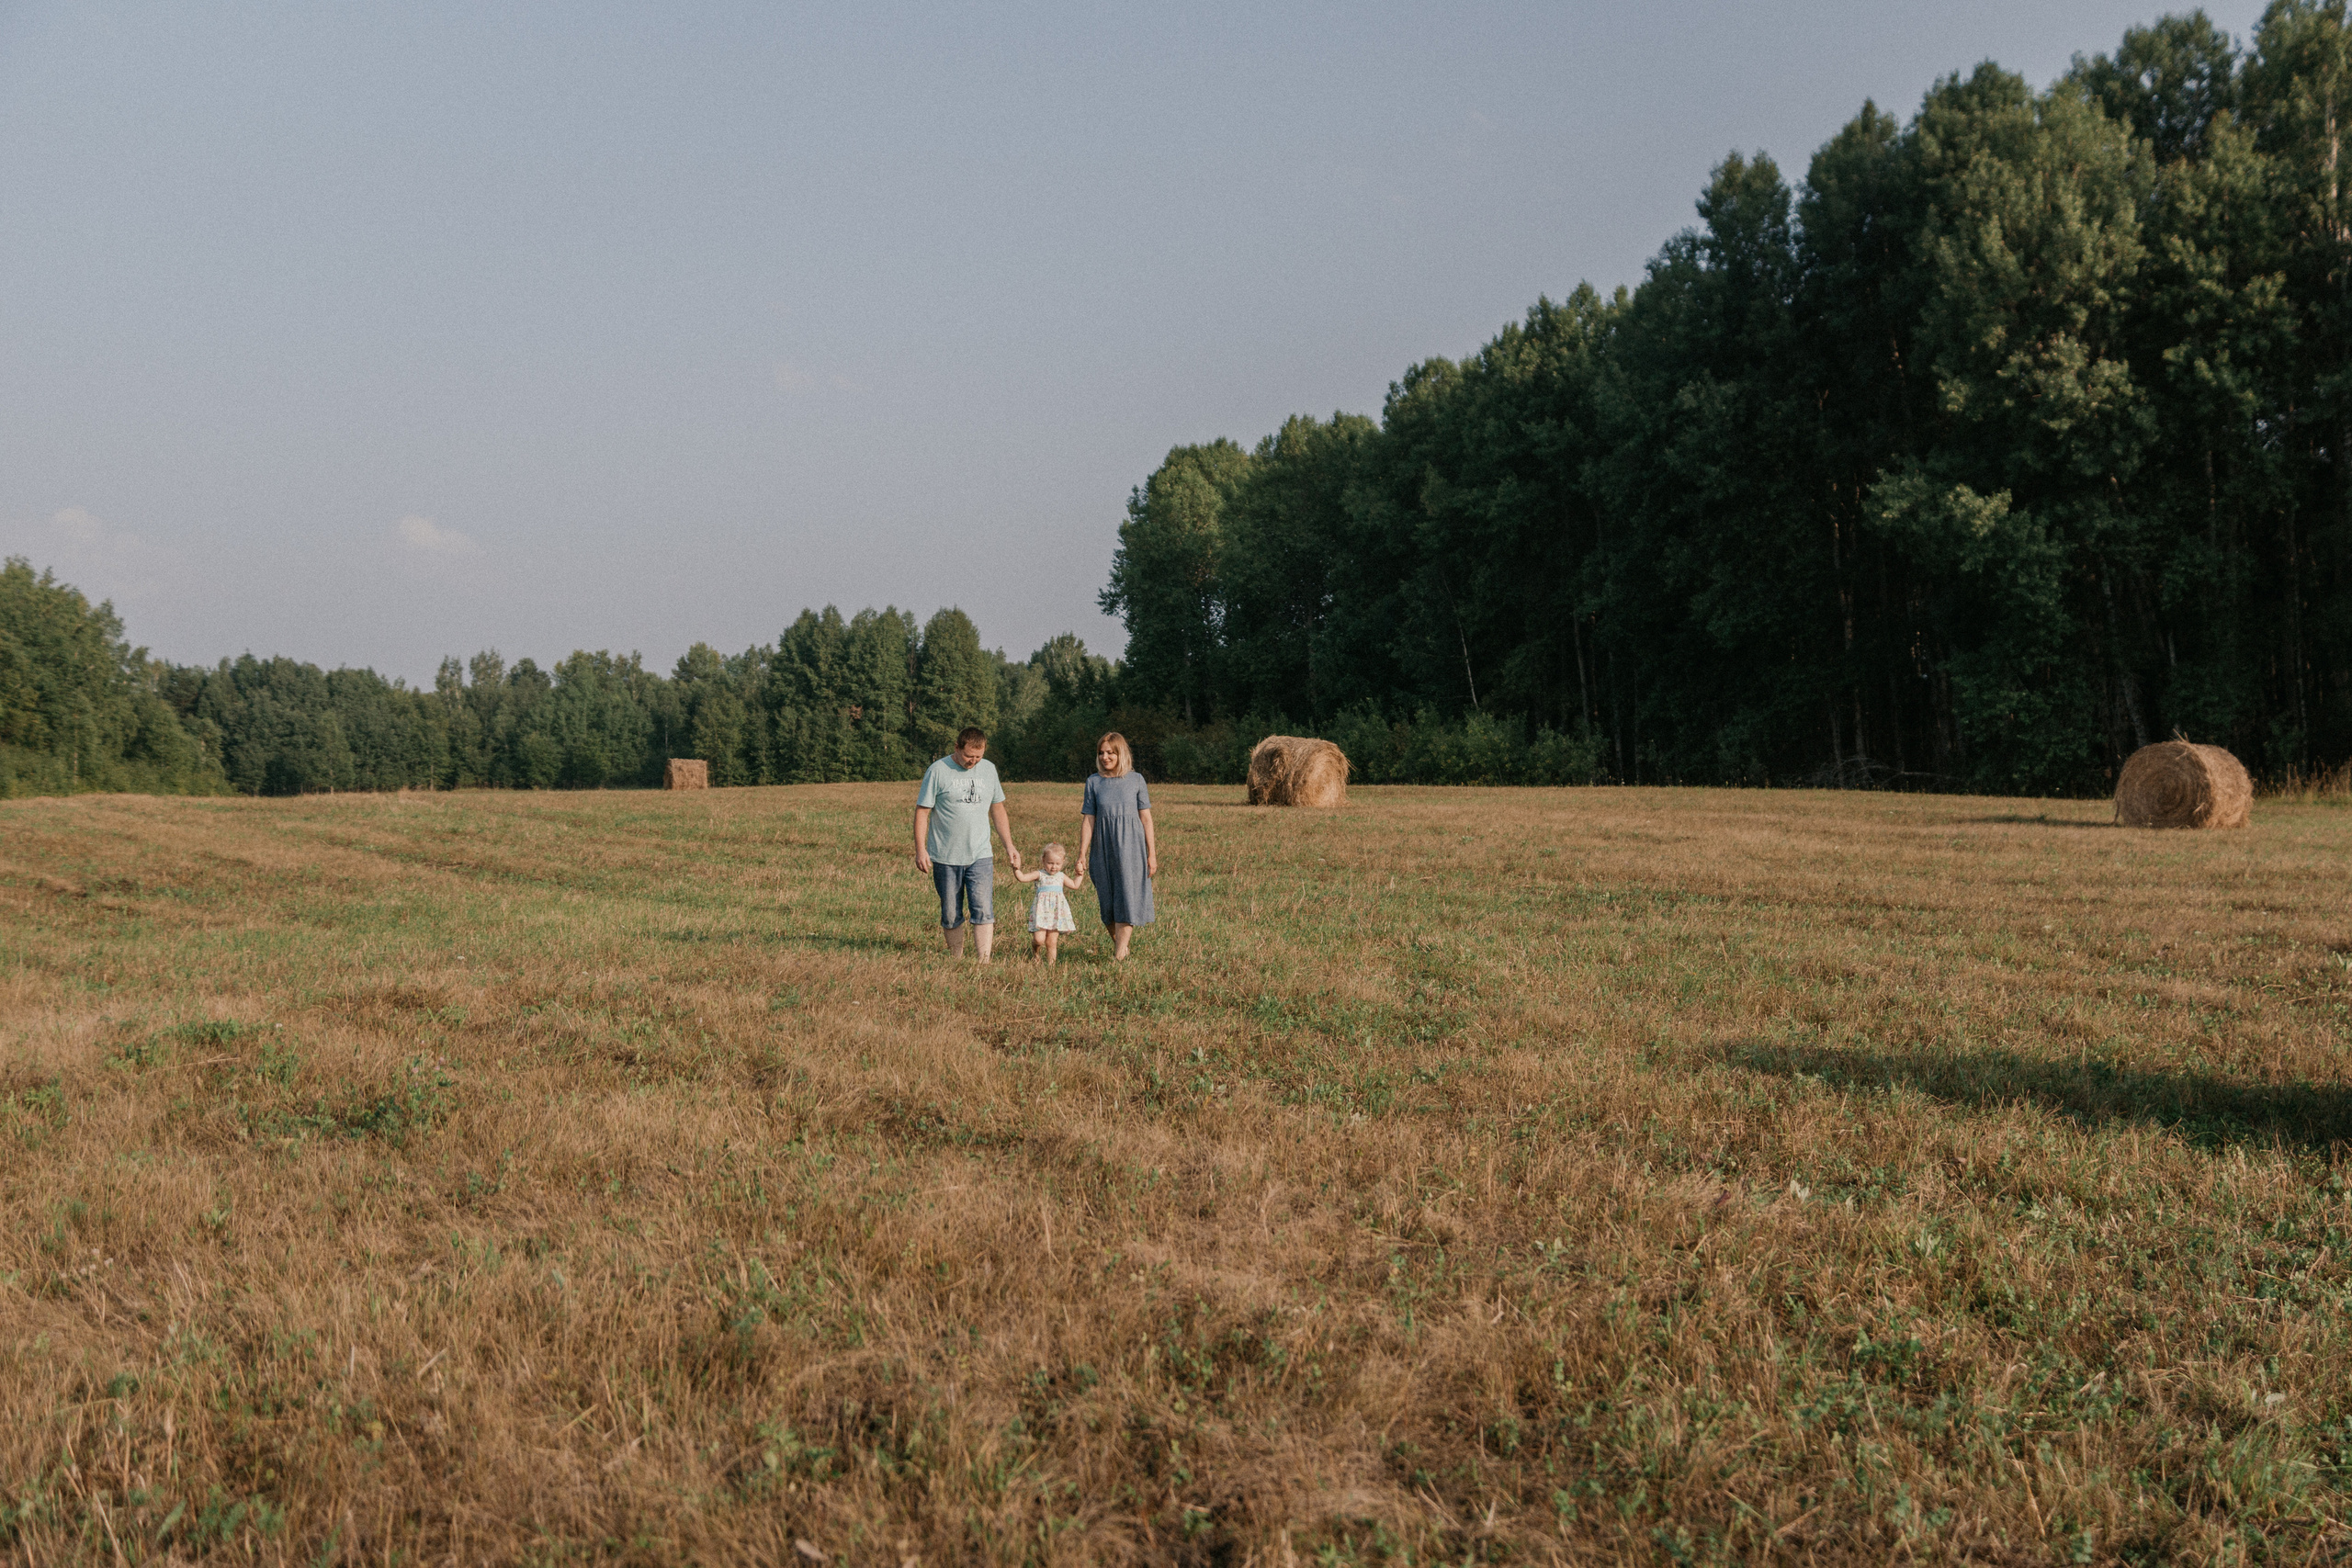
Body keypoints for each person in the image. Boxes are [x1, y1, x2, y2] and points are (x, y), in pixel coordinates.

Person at [913, 726, 1020, 962]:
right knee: (951, 912)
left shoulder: (989, 770)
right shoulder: (937, 770)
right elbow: (922, 812)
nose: (973, 761)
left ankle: (984, 961)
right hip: (945, 855)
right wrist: (921, 850)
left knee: (983, 909)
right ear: (957, 747)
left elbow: (997, 809)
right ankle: (957, 960)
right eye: (969, 756)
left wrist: (1009, 846)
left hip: (980, 854)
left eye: (978, 757)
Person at [1076, 731, 1156, 961]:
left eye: (1111, 752)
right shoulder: (1093, 782)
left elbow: (1146, 819)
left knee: (1126, 898)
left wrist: (1152, 854)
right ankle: (1122, 946)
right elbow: (1089, 819)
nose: (1105, 757)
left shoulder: (1136, 780)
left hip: (1131, 848)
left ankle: (1119, 955)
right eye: (1101, 753)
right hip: (1102, 847)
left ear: (1121, 753)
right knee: (1107, 904)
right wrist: (1082, 854)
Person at [1012, 841, 1081, 964]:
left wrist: (1080, 874)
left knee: (1052, 942)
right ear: (1043, 860)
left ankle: (1051, 967)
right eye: (1050, 863)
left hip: (1055, 914)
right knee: (1039, 940)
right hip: (1041, 913)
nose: (1054, 867)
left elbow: (1075, 885)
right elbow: (1022, 878)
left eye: (1058, 864)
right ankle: (1036, 952)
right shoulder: (1040, 874)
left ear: (1063, 862)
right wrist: (1016, 869)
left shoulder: (1061, 876)